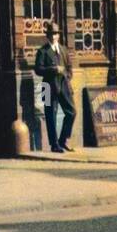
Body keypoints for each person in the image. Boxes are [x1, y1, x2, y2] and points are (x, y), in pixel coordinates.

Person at [34, 23, 77, 153]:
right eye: (52, 34)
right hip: (47, 87)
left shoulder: (63, 50)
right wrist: (53, 69)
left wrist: (67, 76)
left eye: (56, 34)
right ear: (48, 36)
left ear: (59, 35)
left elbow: (69, 68)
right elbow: (38, 69)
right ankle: (54, 145)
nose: (54, 36)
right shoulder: (42, 51)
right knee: (50, 116)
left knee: (72, 112)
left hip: (63, 85)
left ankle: (63, 140)